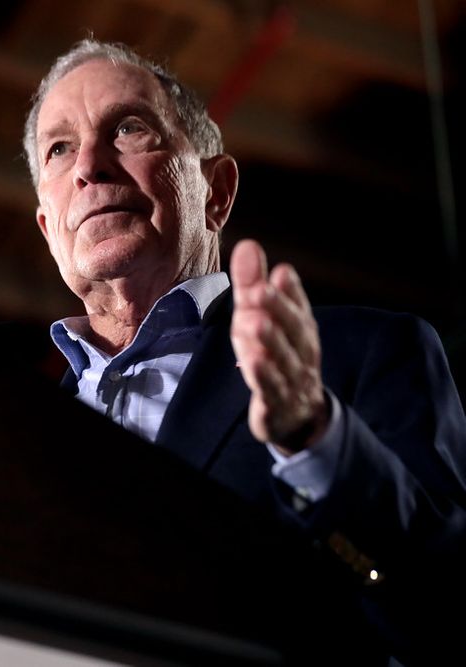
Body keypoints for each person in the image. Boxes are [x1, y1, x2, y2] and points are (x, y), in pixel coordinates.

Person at [24, 38, 466, 663]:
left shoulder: (362, 354)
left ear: (215, 191)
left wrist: (315, 438)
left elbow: (447, 611)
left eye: (128, 128)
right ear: (49, 227)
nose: (88, 166)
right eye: (59, 148)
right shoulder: (15, 429)